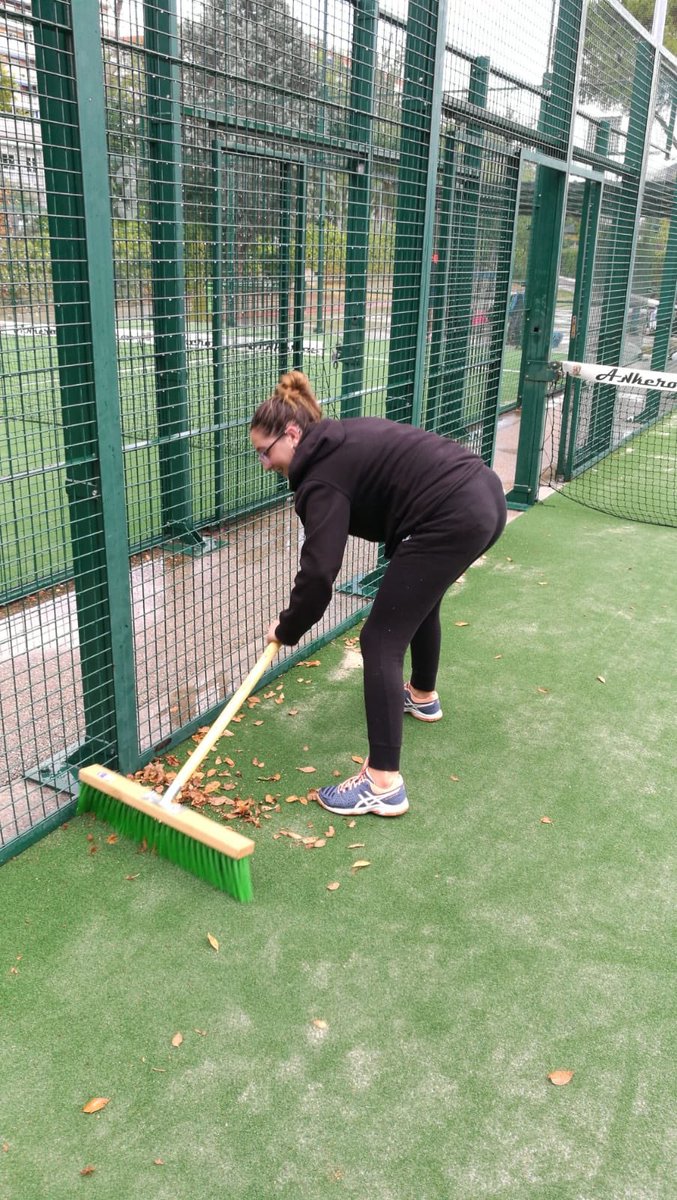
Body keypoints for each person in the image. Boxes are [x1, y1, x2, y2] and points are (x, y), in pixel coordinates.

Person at [250, 371, 507, 817]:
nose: (264, 463)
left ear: (291, 434)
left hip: (451, 514)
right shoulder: (339, 440)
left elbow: (318, 576)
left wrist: (287, 628)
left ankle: (382, 783)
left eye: (264, 452)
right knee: (419, 602)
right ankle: (422, 696)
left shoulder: (321, 480)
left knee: (380, 640)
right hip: (485, 497)